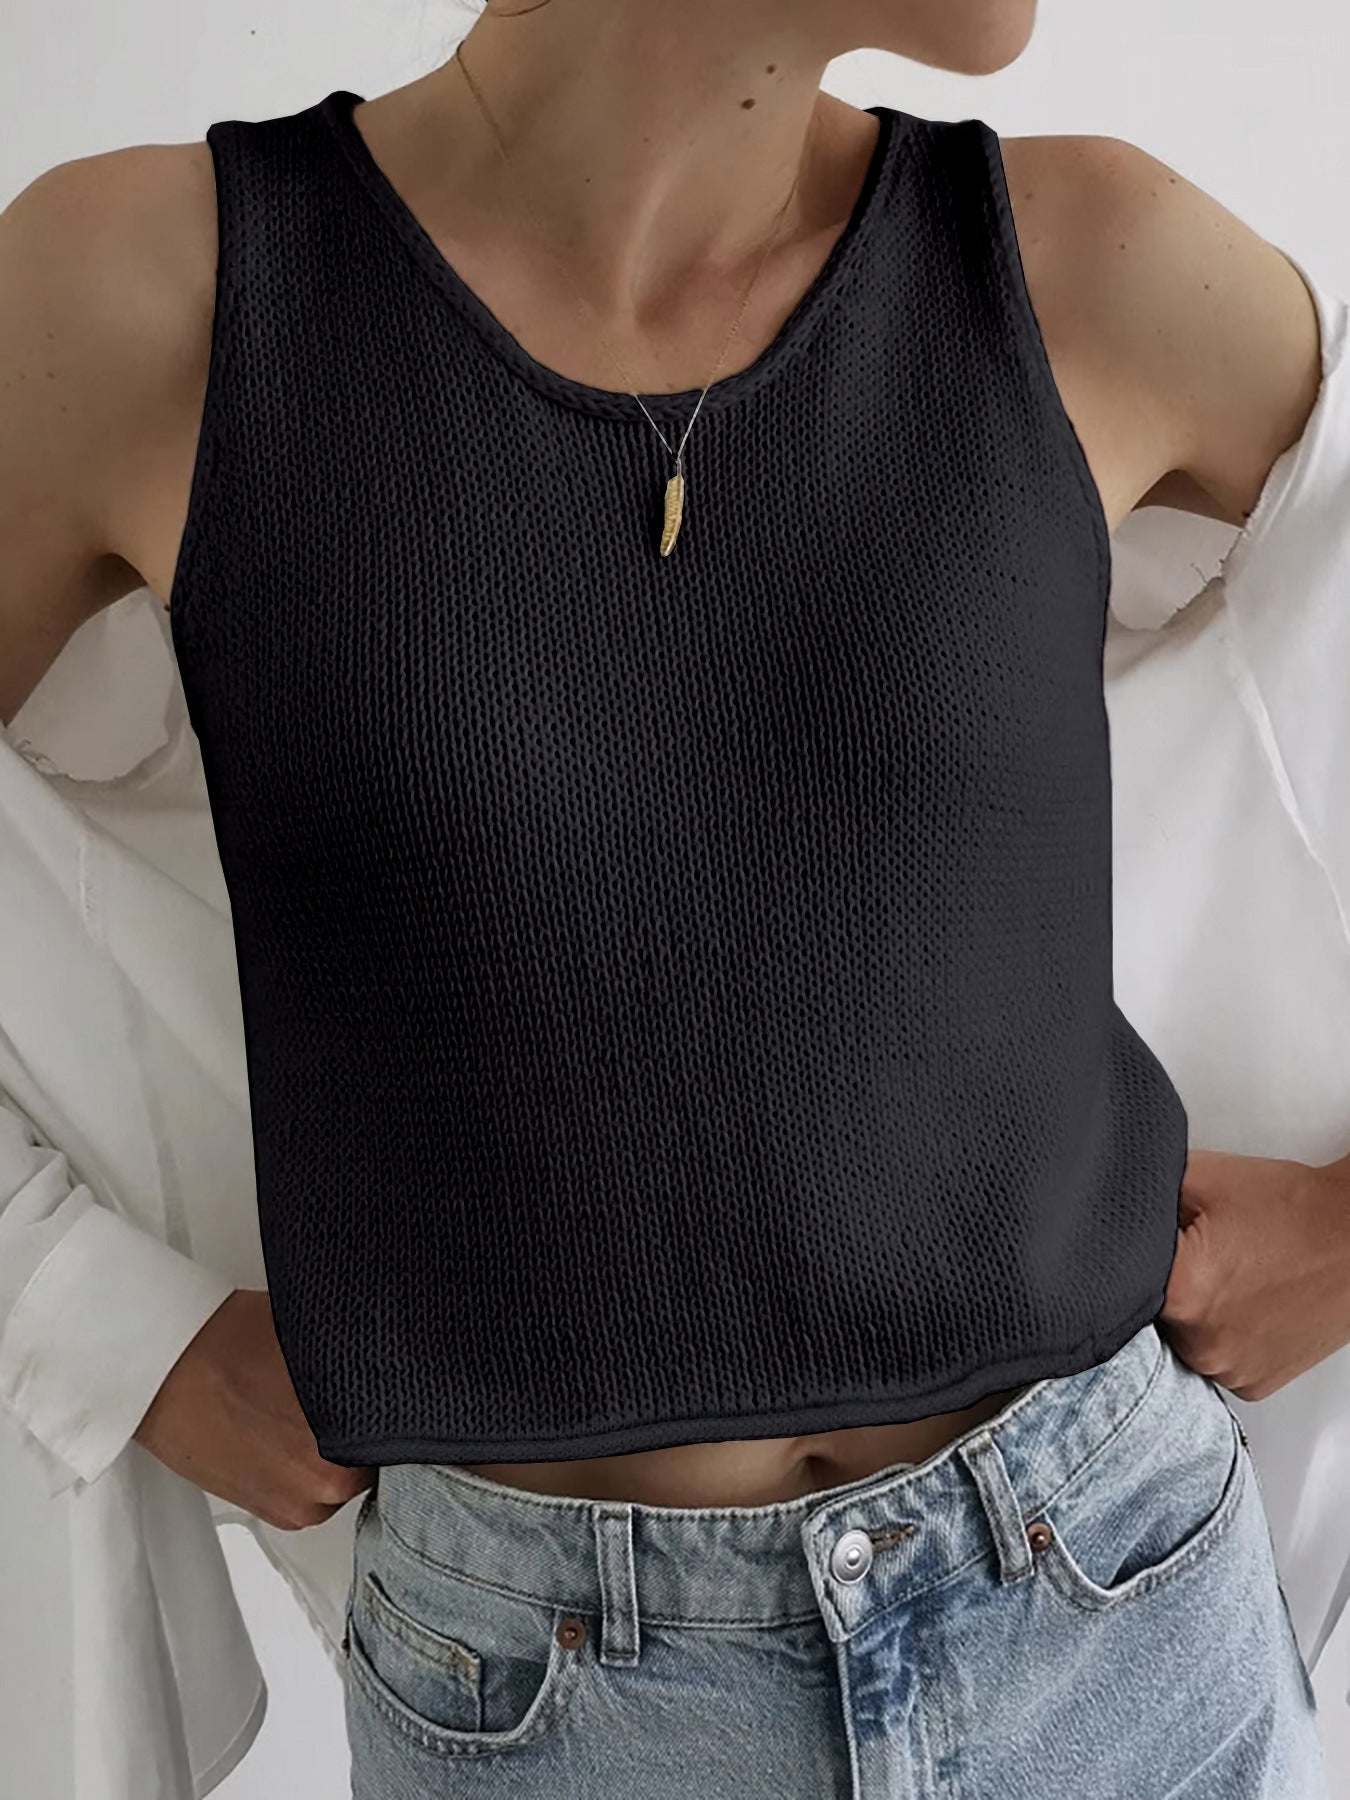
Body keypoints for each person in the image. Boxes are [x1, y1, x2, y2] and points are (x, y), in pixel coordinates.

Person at [1, 1, 1343, 1793]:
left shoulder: (1092, 264)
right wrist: (102, 1326)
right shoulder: (149, 298)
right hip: (547, 1706)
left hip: (1122, 1621)